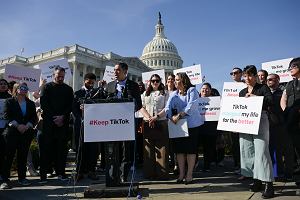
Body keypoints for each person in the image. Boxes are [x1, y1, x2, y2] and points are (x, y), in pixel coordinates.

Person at [105, 62, 151, 183]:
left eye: (118, 70)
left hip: (127, 123)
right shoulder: (109, 86)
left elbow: (139, 105)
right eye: (114, 70)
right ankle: (113, 175)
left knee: (126, 150)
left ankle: (123, 175)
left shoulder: (133, 85)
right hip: (112, 123)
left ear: (125, 72)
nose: (115, 72)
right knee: (113, 149)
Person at [239, 65, 274, 199]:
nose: (247, 78)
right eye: (245, 76)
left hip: (260, 121)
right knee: (248, 151)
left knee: (262, 152)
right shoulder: (242, 92)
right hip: (245, 124)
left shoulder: (262, 88)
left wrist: (255, 98)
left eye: (249, 75)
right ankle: (257, 180)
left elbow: (270, 101)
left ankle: (268, 184)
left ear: (255, 76)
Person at [165, 72, 203, 184]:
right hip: (178, 127)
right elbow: (168, 107)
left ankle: (189, 174)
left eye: (177, 80)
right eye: (174, 80)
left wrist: (179, 115)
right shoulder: (174, 94)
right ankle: (181, 174)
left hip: (191, 125)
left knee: (190, 150)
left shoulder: (192, 91)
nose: (174, 82)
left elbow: (191, 105)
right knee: (179, 151)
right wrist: (170, 116)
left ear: (183, 81)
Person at [39, 66, 74, 183]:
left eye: (62, 76)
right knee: (46, 149)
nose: (60, 78)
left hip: (62, 124)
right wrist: (55, 118)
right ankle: (44, 174)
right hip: (49, 123)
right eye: (58, 76)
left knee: (61, 150)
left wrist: (62, 117)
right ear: (53, 75)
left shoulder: (68, 89)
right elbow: (44, 104)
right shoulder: (46, 87)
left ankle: (61, 173)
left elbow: (70, 105)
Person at [0, 82, 37, 189]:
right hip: (12, 133)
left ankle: (22, 178)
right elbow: (7, 116)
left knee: (23, 156)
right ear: (16, 89)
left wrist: (27, 126)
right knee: (9, 156)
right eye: (22, 87)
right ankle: (5, 179)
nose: (24, 89)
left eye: (26, 88)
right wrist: (18, 126)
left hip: (25, 133)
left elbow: (33, 118)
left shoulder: (30, 103)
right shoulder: (9, 101)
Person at [72, 73, 106, 181]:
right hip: (81, 125)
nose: (91, 84)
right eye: (89, 82)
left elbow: (103, 104)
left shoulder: (97, 92)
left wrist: (102, 88)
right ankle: (79, 171)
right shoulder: (77, 93)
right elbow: (74, 109)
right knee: (80, 149)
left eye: (93, 82)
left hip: (94, 126)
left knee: (93, 149)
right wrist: (80, 117)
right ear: (84, 81)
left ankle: (92, 170)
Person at [141, 74, 169, 179]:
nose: (155, 83)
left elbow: (167, 108)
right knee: (148, 148)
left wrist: (156, 117)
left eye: (157, 81)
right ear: (150, 82)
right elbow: (141, 107)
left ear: (160, 81)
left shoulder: (165, 93)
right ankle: (149, 173)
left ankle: (162, 173)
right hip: (148, 122)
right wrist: (149, 117)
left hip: (160, 122)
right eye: (153, 81)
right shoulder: (145, 94)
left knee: (162, 148)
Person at [267, 73, 294, 180]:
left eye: (271, 79)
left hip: (284, 125)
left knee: (287, 150)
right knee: (274, 151)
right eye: (267, 79)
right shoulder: (265, 93)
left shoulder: (284, 92)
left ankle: (289, 173)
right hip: (270, 126)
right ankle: (277, 173)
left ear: (278, 80)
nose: (268, 81)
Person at [280, 57, 300, 186]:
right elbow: (283, 98)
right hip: (291, 119)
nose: (290, 69)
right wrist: (286, 110)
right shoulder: (289, 84)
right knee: (295, 148)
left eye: (292, 66)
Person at [198, 83, 219, 171]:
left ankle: (207, 166)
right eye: (203, 89)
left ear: (210, 91)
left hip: (210, 128)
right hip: (198, 127)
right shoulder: (196, 100)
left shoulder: (215, 101)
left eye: (207, 89)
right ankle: (195, 165)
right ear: (200, 91)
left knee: (208, 148)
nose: (205, 91)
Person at [0, 79, 11, 182]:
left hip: (6, 129)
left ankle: (4, 175)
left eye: (5, 84)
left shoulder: (11, 98)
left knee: (5, 153)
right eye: (1, 84)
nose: (3, 85)